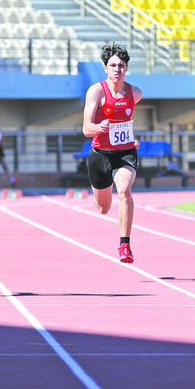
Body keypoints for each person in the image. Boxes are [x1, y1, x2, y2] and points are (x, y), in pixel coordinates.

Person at [82, 43, 143, 264]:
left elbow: (126, 124)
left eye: (121, 65)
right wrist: (100, 127)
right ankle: (102, 198)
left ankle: (125, 245)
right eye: (113, 65)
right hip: (100, 155)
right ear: (105, 68)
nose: (117, 69)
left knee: (125, 190)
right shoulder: (96, 91)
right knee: (103, 207)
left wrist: (130, 138)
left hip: (125, 153)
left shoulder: (135, 93)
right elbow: (86, 129)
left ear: (127, 68)